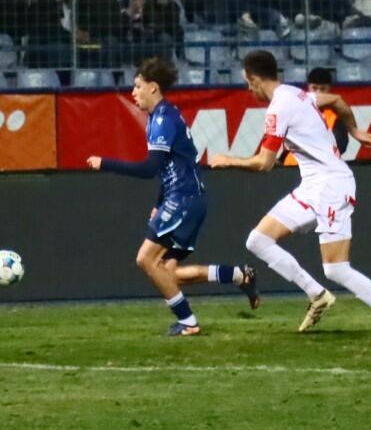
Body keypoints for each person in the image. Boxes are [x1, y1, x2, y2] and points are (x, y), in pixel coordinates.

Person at [207, 50, 371, 342]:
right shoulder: (296, 93)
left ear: (254, 79)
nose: (248, 89)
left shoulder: (278, 108)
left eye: (247, 83)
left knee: (336, 269)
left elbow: (265, 163)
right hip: (312, 186)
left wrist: (228, 160)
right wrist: (354, 130)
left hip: (331, 186)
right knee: (258, 240)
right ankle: (316, 294)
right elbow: (337, 100)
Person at [86, 58, 260, 336]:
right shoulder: (161, 116)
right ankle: (240, 275)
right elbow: (170, 168)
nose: (133, 92)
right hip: (186, 198)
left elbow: (149, 169)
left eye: (138, 86)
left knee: (146, 260)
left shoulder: (163, 120)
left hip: (184, 199)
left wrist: (104, 163)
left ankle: (188, 322)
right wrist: (159, 204)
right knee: (168, 272)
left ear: (153, 87)